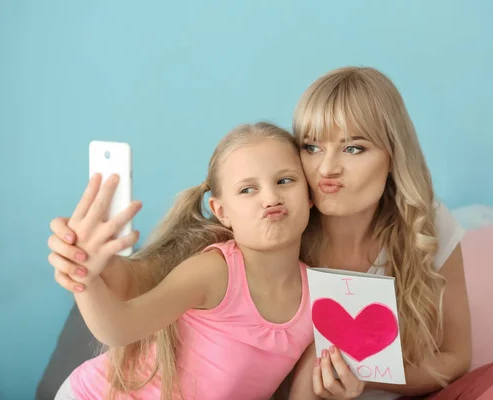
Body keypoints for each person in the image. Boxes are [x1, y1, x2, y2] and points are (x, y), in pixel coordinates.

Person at [48, 67, 493, 400]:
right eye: (311, 147)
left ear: (391, 158)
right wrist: (88, 266)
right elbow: (137, 280)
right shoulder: (261, 238)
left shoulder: (422, 224)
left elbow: (455, 359)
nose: (327, 168)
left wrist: (370, 380)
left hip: (406, 392)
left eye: (354, 147)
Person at [51, 122, 317, 400]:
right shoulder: (214, 272)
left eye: (285, 181)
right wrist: (83, 276)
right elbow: (119, 328)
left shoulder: (319, 296)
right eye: (247, 190)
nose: (271, 198)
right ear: (222, 211)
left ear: (309, 195)